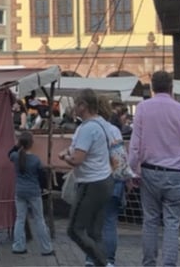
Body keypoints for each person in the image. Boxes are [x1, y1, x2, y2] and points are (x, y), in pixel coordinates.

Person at [127, 70, 180, 267]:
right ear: (171, 87)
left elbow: (135, 145)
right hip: (175, 173)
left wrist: (131, 171)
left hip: (149, 171)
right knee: (172, 222)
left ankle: (149, 263)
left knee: (150, 220)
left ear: (152, 87)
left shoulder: (142, 108)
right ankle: (169, 264)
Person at [59, 88, 114, 267]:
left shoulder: (87, 128)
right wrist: (70, 151)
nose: (73, 108)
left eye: (76, 104)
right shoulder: (102, 124)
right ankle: (104, 262)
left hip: (91, 183)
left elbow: (77, 159)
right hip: (105, 180)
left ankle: (103, 263)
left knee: (74, 229)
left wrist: (64, 157)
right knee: (95, 232)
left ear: (83, 105)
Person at [85, 96, 127, 267]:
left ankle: (91, 258)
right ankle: (109, 260)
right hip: (112, 179)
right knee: (109, 222)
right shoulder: (114, 130)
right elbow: (121, 158)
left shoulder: (87, 129)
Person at [9, 130, 54, 257]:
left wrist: (17, 145)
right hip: (33, 191)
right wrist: (43, 187)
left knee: (20, 219)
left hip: (20, 191)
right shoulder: (35, 160)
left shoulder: (15, 157)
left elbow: (9, 153)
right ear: (32, 144)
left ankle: (18, 246)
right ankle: (46, 248)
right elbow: (41, 176)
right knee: (39, 219)